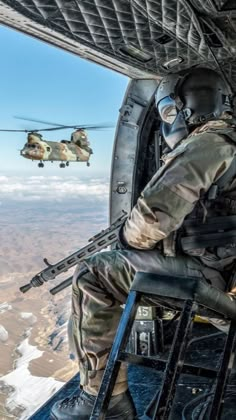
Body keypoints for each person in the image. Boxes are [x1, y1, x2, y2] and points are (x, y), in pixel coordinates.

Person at [51, 67, 236, 420]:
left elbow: (148, 224)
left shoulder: (209, 144)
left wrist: (124, 238)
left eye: (169, 111)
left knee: (94, 274)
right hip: (228, 276)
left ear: (189, 107)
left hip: (219, 283)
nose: (169, 121)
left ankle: (102, 402)